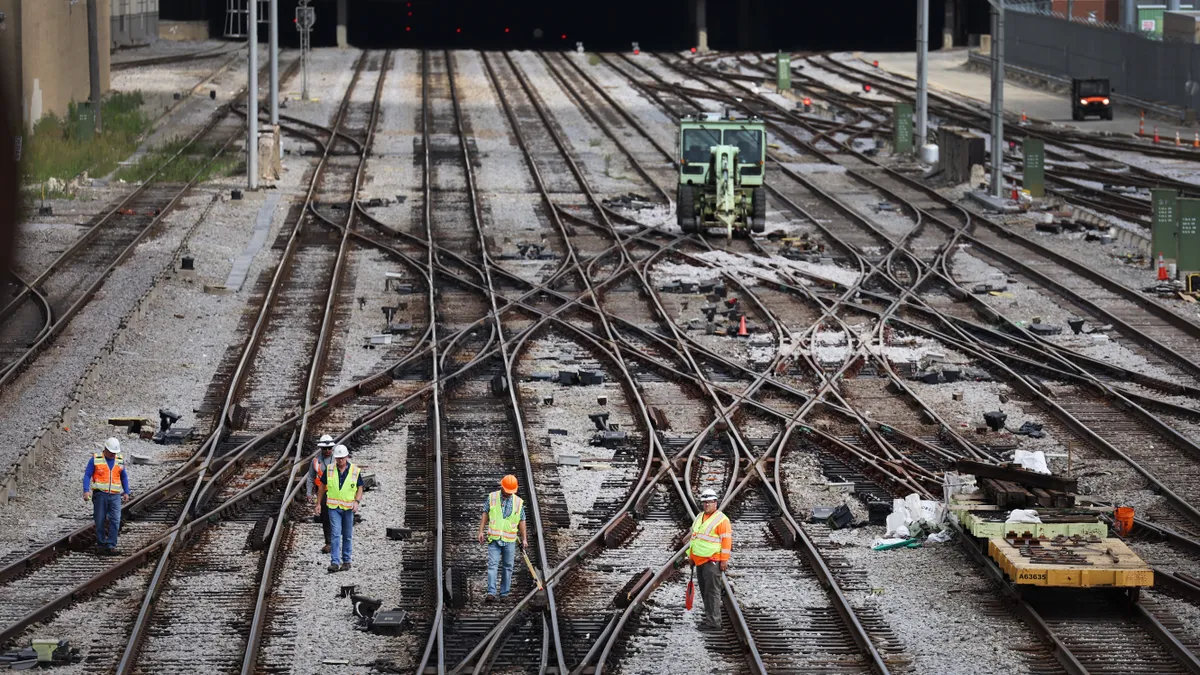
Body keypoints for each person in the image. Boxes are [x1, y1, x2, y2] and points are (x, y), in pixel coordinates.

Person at [477, 474, 527, 601]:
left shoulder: (518, 502)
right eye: (507, 491)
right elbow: (485, 513)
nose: (509, 493)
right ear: (502, 487)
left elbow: (522, 520)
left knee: (508, 566)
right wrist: (481, 531)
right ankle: (491, 593)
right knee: (493, 565)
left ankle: (504, 594)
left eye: (512, 491)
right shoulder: (492, 497)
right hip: (494, 539)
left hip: (509, 540)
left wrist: (524, 538)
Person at [687, 488, 732, 628]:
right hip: (699, 560)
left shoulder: (722, 520)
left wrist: (724, 560)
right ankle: (710, 619)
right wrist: (691, 556)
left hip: (713, 561)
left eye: (709, 502)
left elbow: (726, 541)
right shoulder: (699, 517)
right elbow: (695, 538)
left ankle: (714, 622)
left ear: (715, 503)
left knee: (712, 592)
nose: (706, 505)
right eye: (704, 502)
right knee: (705, 591)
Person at [317, 444, 361, 572]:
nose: (340, 460)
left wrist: (357, 501)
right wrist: (318, 503)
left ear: (347, 457)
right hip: (333, 507)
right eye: (338, 458)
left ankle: (346, 561)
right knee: (335, 534)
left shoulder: (354, 470)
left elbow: (360, 487)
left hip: (348, 509)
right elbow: (321, 486)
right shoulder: (330, 470)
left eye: (342, 458)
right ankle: (335, 562)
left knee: (347, 535)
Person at [83, 438, 130, 555]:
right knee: (100, 520)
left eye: (115, 453)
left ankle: (111, 545)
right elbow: (87, 475)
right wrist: (86, 490)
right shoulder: (96, 459)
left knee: (115, 520)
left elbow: (123, 476)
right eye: (111, 452)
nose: (113, 455)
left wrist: (126, 491)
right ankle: (101, 544)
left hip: (115, 496)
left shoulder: (119, 460)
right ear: (105, 449)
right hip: (100, 495)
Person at [305, 434, 337, 553]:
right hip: (323, 492)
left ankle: (337, 541)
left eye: (329, 448)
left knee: (338, 516)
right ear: (321, 449)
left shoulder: (337, 459)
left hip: (337, 492)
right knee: (326, 518)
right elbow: (310, 478)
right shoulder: (316, 461)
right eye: (325, 449)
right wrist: (309, 493)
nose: (327, 451)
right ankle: (329, 542)